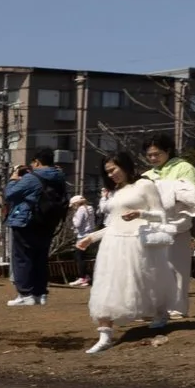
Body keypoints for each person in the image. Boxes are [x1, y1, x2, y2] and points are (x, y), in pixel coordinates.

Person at [78, 151, 183, 354]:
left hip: (137, 243)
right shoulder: (115, 192)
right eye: (107, 172)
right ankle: (105, 335)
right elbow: (115, 223)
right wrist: (91, 237)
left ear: (124, 165)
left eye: (113, 169)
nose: (111, 175)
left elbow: (161, 215)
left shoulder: (144, 185)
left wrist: (140, 213)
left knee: (148, 281)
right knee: (107, 288)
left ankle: (160, 314)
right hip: (112, 245)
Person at [142, 135, 195, 315]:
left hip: (179, 225)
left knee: (177, 267)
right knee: (152, 268)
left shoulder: (184, 167)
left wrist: (162, 188)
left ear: (168, 151)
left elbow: (191, 194)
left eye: (157, 154)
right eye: (149, 155)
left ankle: (177, 308)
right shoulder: (148, 174)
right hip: (155, 225)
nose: (153, 158)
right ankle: (154, 308)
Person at [2, 152, 66, 307]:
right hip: (48, 222)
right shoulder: (60, 177)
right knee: (40, 258)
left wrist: (13, 179)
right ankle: (40, 294)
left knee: (23, 258)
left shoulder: (32, 178)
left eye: (32, 164)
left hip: (27, 221)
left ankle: (25, 294)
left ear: (37, 162)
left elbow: (9, 194)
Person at [65, 194, 98, 288]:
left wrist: (73, 218)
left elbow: (77, 224)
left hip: (82, 236)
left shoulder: (80, 210)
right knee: (81, 256)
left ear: (76, 203)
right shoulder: (90, 208)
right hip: (90, 235)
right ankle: (85, 277)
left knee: (79, 257)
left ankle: (83, 277)